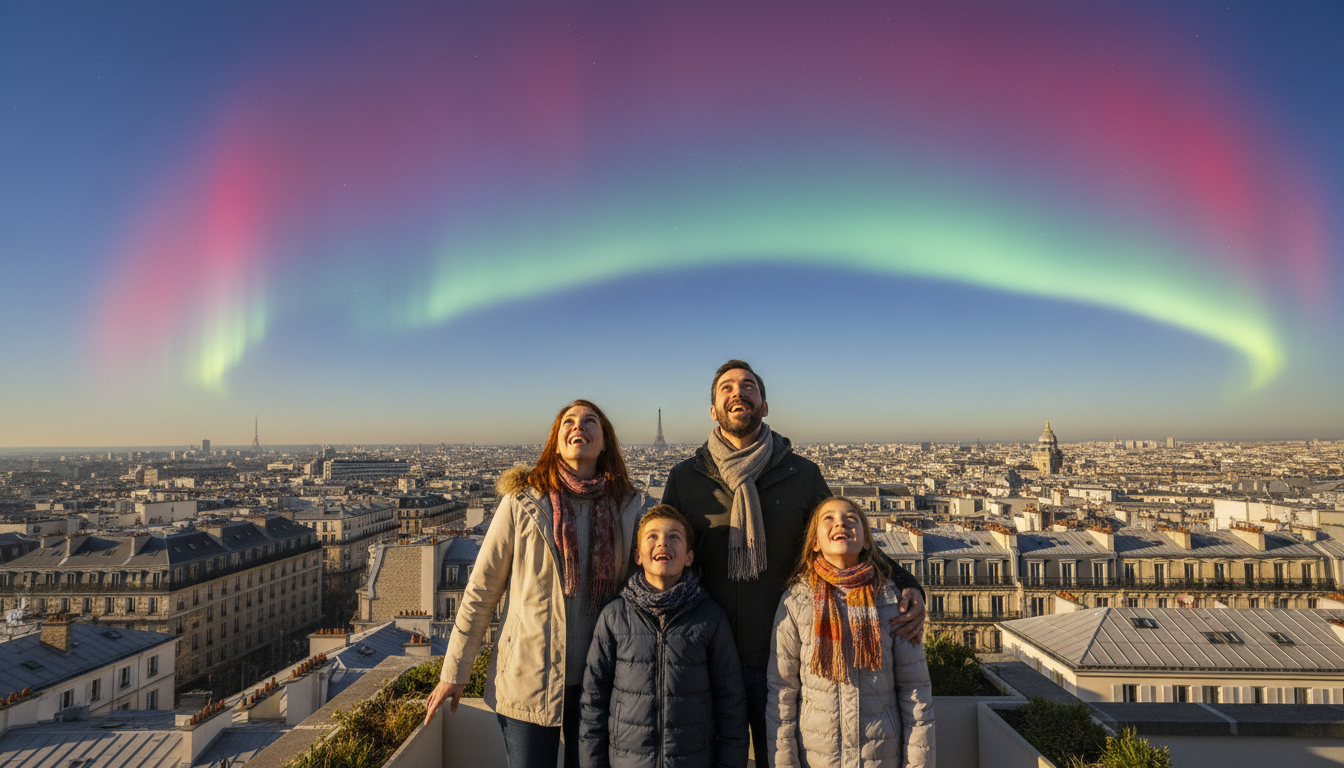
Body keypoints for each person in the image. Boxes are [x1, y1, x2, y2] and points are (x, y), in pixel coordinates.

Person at [661, 360, 925, 763]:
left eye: (748, 386)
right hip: (709, 655)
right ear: (713, 410)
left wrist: (909, 584)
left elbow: (847, 540)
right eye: (727, 388)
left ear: (764, 405)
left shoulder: (801, 474)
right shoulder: (685, 478)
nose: (738, 392)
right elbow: (660, 553)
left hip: (787, 657)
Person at [426, 400, 645, 768]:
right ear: (555, 443)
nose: (580, 426)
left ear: (605, 441)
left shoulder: (627, 507)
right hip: (529, 679)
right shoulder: (522, 501)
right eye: (569, 422)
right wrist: (454, 671)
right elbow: (481, 589)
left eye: (591, 421)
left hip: (601, 680)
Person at [767, 497, 935, 768]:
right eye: (828, 518)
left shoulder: (892, 601)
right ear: (815, 543)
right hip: (818, 758)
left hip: (879, 759)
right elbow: (782, 692)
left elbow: (915, 692)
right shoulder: (796, 602)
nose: (840, 523)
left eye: (851, 518)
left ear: (867, 541)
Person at [579, 504, 748, 768]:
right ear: (638, 555)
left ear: (690, 557)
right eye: (653, 536)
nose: (663, 543)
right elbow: (593, 702)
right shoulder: (614, 616)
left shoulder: (710, 617)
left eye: (674, 537)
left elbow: (731, 705)